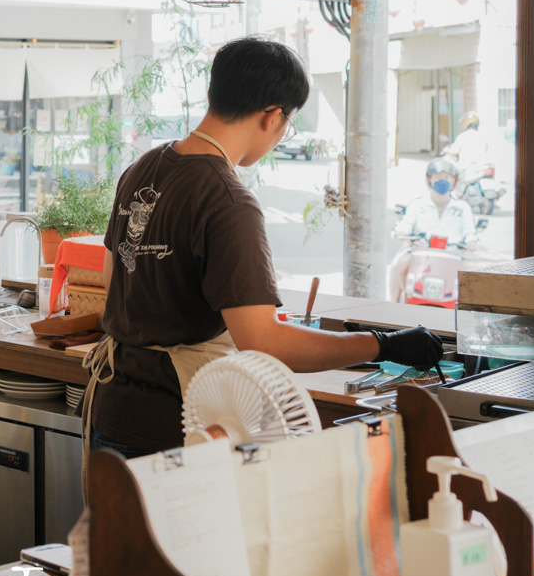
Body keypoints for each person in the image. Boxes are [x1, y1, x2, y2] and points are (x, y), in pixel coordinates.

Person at [83, 36, 444, 460]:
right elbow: (264, 342)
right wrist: (384, 344)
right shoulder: (227, 199)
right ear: (273, 116)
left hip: (112, 408)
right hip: (179, 430)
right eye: (288, 121)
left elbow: (114, 280)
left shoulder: (142, 167)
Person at [395, 157, 478, 248]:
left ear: (453, 180)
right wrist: (401, 232)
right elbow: (405, 225)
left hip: (452, 253)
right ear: (429, 179)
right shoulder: (417, 205)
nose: (442, 181)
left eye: (447, 177)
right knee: (403, 257)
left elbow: (469, 232)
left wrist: (471, 242)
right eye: (438, 177)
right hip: (421, 251)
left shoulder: (462, 207)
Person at [444, 111, 489, 187]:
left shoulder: (462, 136)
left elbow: (454, 151)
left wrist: (446, 149)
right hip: (481, 168)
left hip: (466, 169)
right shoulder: (483, 137)